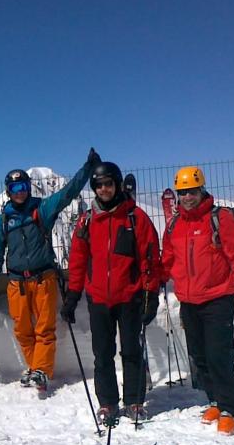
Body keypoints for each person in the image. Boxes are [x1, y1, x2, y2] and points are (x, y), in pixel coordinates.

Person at [0, 148, 100, 397]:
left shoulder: (42, 209)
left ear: (29, 188)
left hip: (43, 278)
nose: (20, 192)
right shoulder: (2, 220)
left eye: (23, 187)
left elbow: (67, 194)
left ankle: (42, 371)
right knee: (22, 330)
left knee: (45, 329)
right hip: (16, 282)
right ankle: (35, 368)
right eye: (15, 189)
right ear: (8, 192)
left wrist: (87, 169)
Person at [61, 162, 162, 424]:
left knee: (131, 351)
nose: (104, 189)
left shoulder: (135, 218)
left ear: (117, 184)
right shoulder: (86, 221)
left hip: (129, 296)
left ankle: (134, 401)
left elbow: (150, 259)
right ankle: (107, 403)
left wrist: (150, 295)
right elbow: (78, 261)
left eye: (108, 184)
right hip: (98, 298)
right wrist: (72, 296)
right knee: (102, 354)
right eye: (98, 185)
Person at [160, 166, 234, 436]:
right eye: (182, 193)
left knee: (218, 355)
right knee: (200, 356)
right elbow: (167, 259)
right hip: (189, 300)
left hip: (218, 297)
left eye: (191, 191)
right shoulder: (175, 225)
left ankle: (232, 409)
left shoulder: (220, 218)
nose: (187, 197)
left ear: (202, 190)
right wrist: (151, 280)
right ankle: (215, 400)